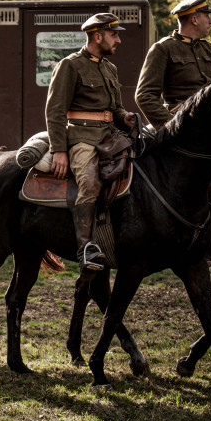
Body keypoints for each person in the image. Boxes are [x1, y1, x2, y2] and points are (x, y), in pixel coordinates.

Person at [45, 14, 136, 272]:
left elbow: (115, 109)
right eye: (114, 35)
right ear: (98, 36)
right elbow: (55, 111)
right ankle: (87, 248)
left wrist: (125, 117)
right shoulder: (70, 66)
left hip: (110, 138)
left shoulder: (110, 68)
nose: (118, 40)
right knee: (90, 179)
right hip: (82, 140)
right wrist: (59, 150)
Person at [135, 0, 211, 128]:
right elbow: (145, 96)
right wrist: (172, 125)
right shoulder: (163, 49)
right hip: (181, 123)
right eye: (207, 16)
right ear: (194, 20)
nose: (210, 21)